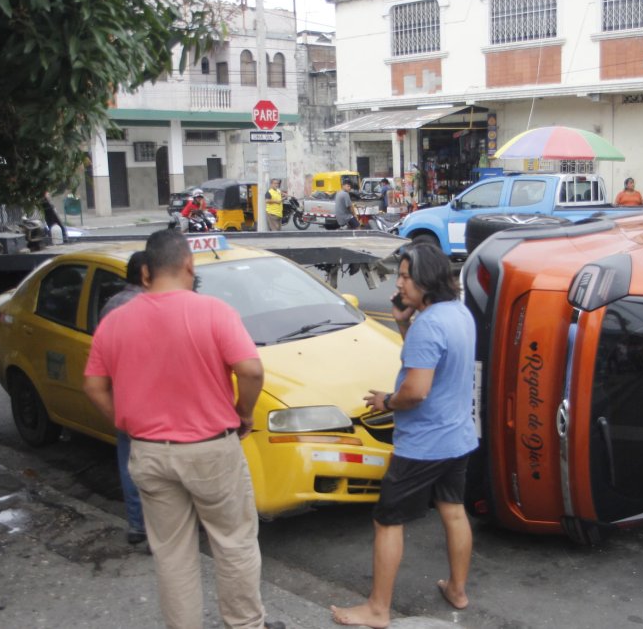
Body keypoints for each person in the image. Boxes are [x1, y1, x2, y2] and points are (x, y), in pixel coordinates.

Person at [84, 229, 281, 629]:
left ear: (145, 273)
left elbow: (92, 385)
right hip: (211, 451)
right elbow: (251, 370)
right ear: (189, 265)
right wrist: (244, 413)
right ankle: (245, 625)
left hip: (150, 453)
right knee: (234, 543)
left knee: (172, 553)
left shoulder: (115, 321)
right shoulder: (214, 312)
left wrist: (123, 420)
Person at [330, 242, 479, 629]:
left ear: (426, 280)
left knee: (387, 520)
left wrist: (386, 401)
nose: (398, 283)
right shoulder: (458, 313)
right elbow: (435, 363)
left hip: (424, 445)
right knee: (453, 510)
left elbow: (416, 391)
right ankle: (458, 590)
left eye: (405, 276)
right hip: (458, 436)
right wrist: (401, 323)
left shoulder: (429, 325)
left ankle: (378, 609)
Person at [98, 251, 148, 545]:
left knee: (130, 463)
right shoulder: (151, 307)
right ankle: (160, 529)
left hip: (122, 396)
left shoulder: (112, 306)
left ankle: (137, 525)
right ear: (146, 274)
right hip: (154, 399)